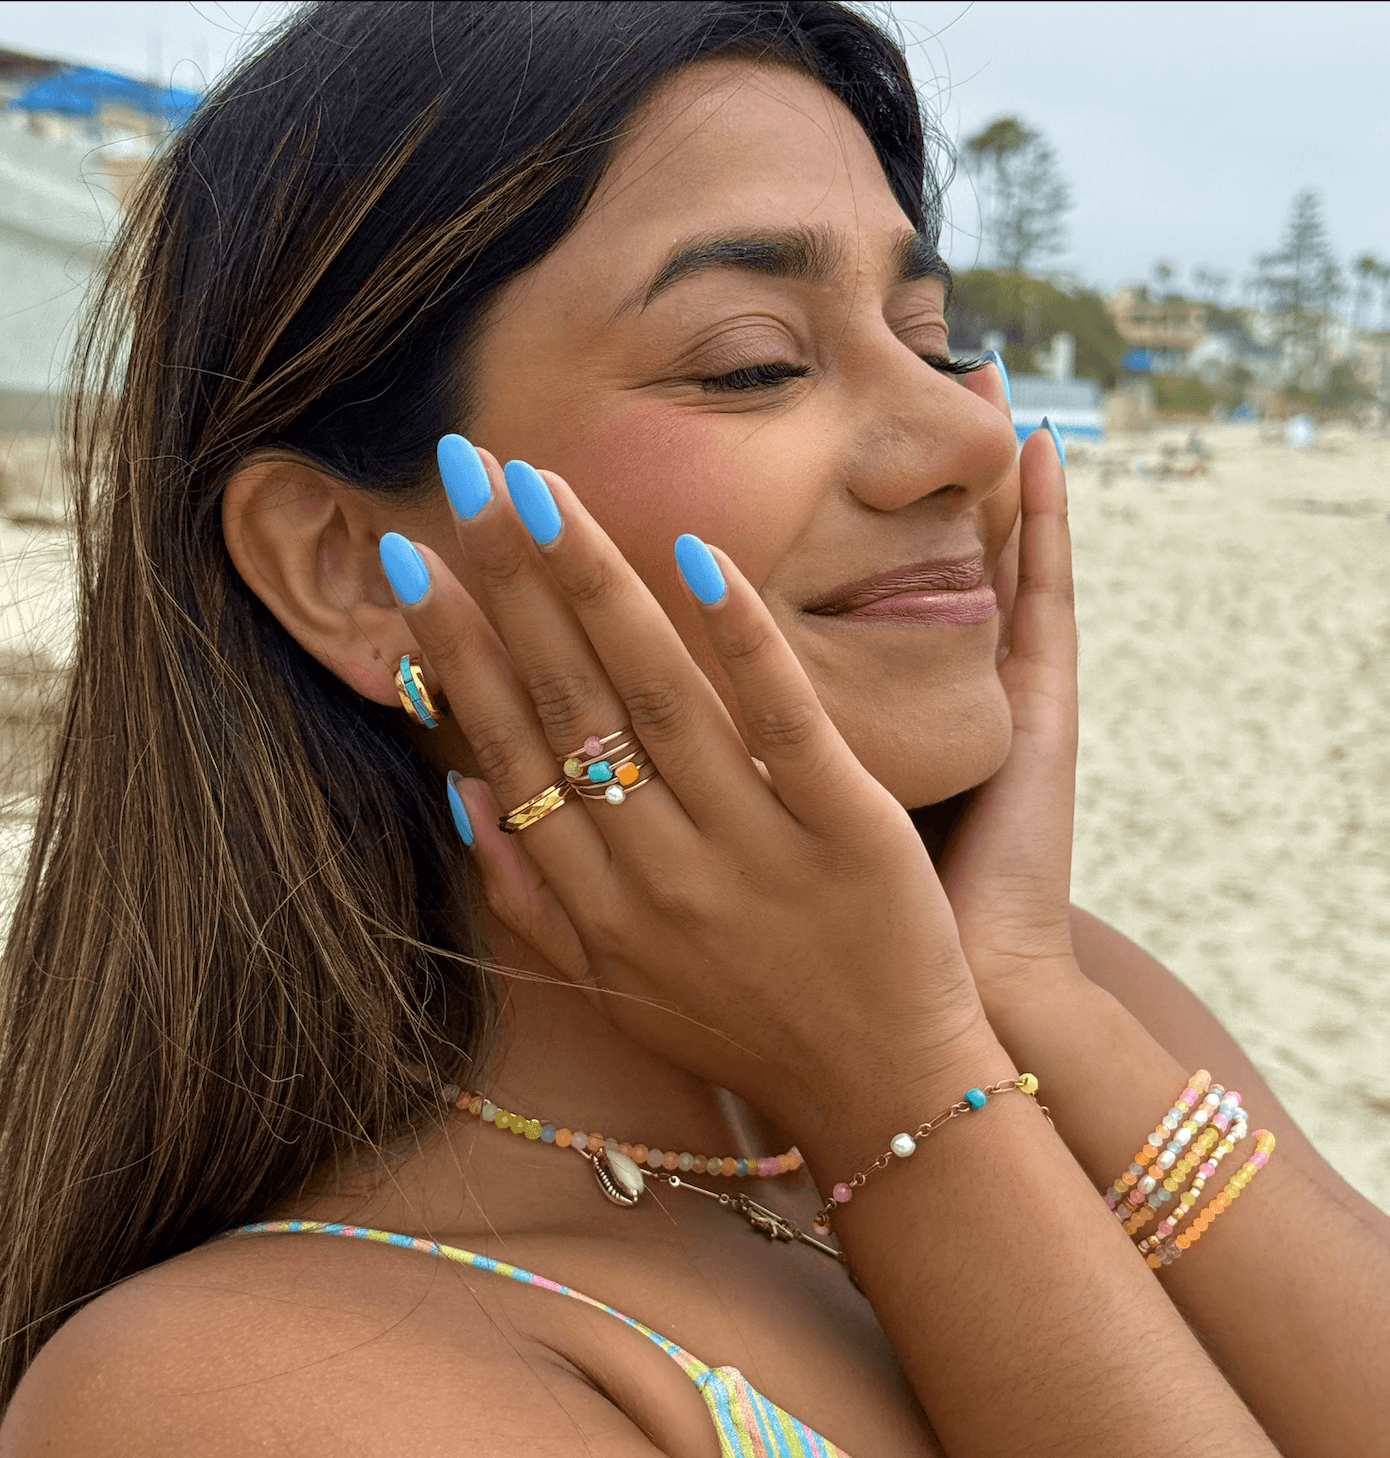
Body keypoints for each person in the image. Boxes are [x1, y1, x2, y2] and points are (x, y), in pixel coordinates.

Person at [0, 3, 1385, 1453]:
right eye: (750, 362)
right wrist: (902, 1096)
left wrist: (1021, 1003)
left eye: (933, 341)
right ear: (349, 567)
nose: (973, 434)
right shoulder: (235, 1392)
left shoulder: (1055, 1001)